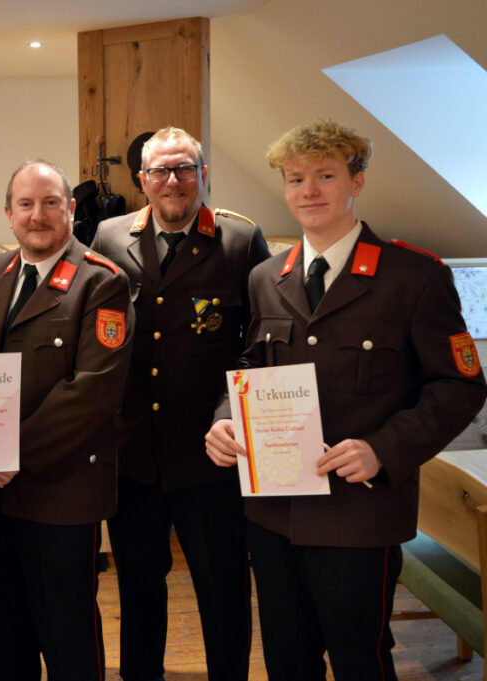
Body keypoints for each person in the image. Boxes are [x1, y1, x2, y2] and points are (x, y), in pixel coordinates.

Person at [204, 119, 487, 681]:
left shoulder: (415, 277)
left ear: (357, 182)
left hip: (360, 514)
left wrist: (384, 450)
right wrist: (225, 419)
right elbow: (251, 366)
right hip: (274, 512)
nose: (308, 190)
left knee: (361, 662)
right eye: (295, 179)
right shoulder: (266, 277)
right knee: (287, 661)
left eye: (325, 175)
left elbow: (460, 386)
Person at [91, 126, 269, 681]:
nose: (173, 181)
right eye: (160, 171)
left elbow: (258, 345)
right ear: (142, 180)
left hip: (210, 456)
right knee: (139, 588)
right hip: (134, 455)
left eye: (184, 168)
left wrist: (227, 417)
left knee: (223, 592)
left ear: (203, 174)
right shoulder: (109, 236)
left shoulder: (240, 240)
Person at [0, 159, 133, 681]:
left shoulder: (103, 282)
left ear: (71, 210)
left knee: (68, 635)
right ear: (8, 214)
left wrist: (8, 453)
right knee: (5, 631)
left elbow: (91, 393)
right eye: (26, 204)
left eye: (51, 203)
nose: (38, 215)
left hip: (63, 493)